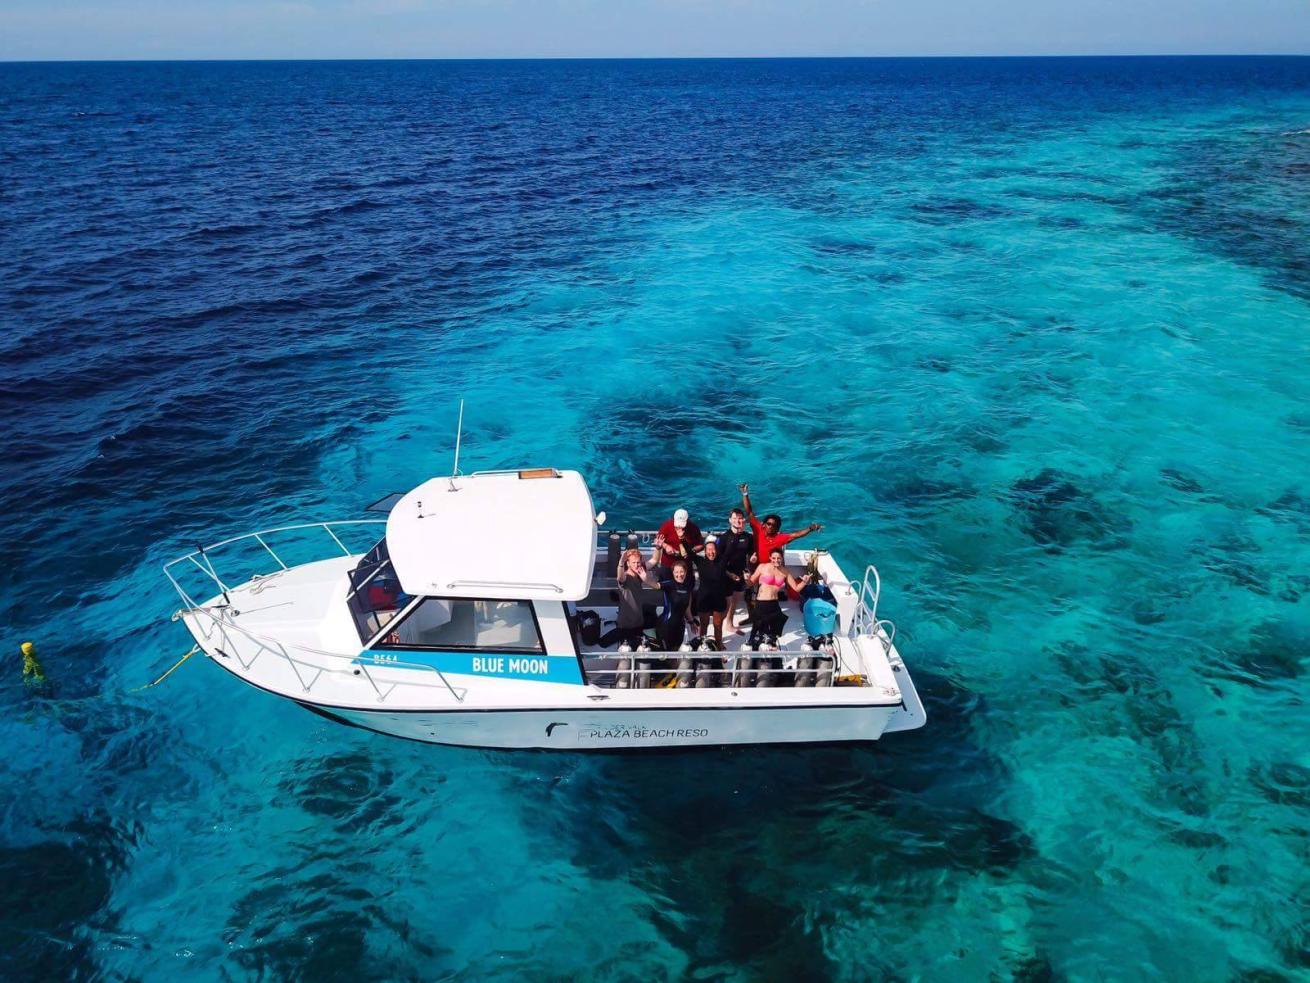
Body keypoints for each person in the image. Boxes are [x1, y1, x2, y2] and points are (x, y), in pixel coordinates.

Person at [739, 483, 821, 568]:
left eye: (774, 525)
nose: (770, 526)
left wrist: (811, 528)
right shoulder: (758, 529)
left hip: (770, 569)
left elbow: (796, 535)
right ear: (764, 524)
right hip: (754, 563)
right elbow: (749, 512)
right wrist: (745, 494)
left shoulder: (779, 538)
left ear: (777, 528)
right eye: (769, 524)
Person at [601, 547, 660, 650]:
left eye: (638, 562)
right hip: (625, 624)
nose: (636, 565)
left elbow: (654, 560)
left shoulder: (640, 571)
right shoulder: (625, 578)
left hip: (639, 622)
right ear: (628, 563)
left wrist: (658, 547)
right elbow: (620, 577)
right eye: (633, 562)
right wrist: (621, 562)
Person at [688, 536, 732, 649]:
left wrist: (737, 531)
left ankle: (719, 643)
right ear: (705, 551)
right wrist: (682, 538)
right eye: (708, 550)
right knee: (704, 625)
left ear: (717, 551)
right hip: (704, 599)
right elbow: (689, 552)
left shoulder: (723, 560)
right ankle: (702, 644)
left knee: (718, 625)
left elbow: (730, 547)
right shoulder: (700, 561)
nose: (711, 552)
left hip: (719, 599)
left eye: (713, 549)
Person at [716, 507, 755, 633]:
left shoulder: (747, 537)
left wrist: (752, 561)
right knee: (726, 603)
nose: (737, 521)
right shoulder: (724, 538)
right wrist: (728, 574)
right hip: (726, 574)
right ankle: (719, 628)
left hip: (740, 573)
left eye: (740, 518)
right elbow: (717, 559)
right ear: (730, 520)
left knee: (735, 600)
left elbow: (751, 554)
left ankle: (729, 623)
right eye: (734, 519)